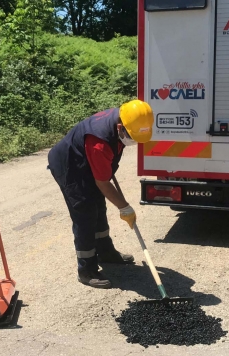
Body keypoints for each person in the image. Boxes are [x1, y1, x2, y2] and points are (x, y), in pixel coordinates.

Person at [48, 100, 154, 289]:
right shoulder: (99, 142)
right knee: (85, 213)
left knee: (98, 204)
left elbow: (103, 177)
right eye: (132, 137)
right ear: (121, 127)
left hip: (88, 163)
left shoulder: (128, 119)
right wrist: (125, 207)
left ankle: (105, 252)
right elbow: (102, 183)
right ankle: (86, 269)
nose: (134, 142)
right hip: (71, 166)